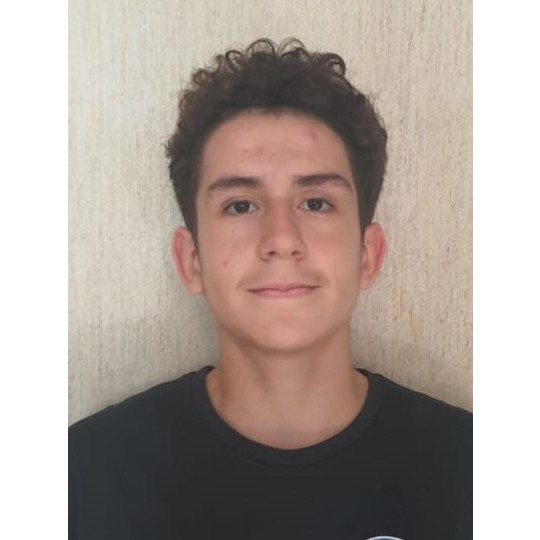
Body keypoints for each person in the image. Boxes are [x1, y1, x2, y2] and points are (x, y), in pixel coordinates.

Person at [69, 38, 472, 540]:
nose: (281, 239)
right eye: (240, 205)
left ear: (368, 255)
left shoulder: (476, 476)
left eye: (316, 203)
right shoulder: (81, 480)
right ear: (191, 260)